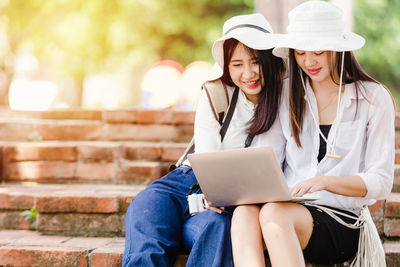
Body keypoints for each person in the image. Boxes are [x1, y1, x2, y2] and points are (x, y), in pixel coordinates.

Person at [231, 1, 395, 267]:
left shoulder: (373, 98)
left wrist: (326, 182)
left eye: (318, 51)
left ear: (339, 50)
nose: (308, 62)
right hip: (288, 210)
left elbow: (381, 181)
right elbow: (266, 159)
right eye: (300, 52)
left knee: (274, 215)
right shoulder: (285, 93)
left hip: (342, 218)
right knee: (243, 215)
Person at [122, 13, 285, 267]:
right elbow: (208, 157)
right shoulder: (215, 91)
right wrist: (212, 188)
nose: (248, 73)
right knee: (147, 213)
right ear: (227, 66)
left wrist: (222, 195)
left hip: (225, 205)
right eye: (237, 64)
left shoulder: (287, 102)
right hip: (183, 185)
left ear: (269, 59)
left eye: (255, 62)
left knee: (216, 227)